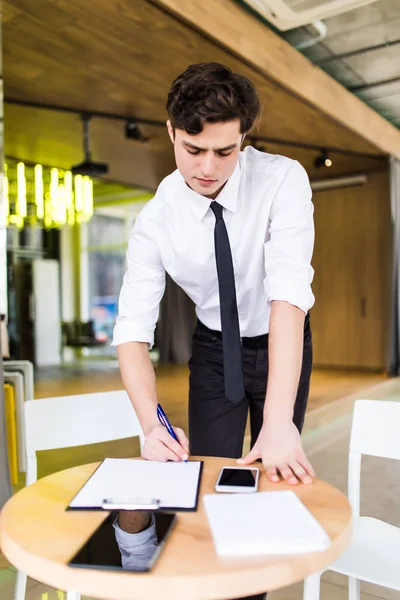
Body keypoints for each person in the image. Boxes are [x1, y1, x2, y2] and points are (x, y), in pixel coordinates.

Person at [113, 60, 315, 600]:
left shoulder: (283, 180)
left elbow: (288, 299)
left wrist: (277, 421)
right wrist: (152, 423)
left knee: (271, 470)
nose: (207, 167)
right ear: (171, 131)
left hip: (280, 337)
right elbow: (132, 332)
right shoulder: (156, 219)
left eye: (225, 152)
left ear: (243, 137)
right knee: (209, 482)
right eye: (193, 149)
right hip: (212, 350)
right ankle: (209, 587)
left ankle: (251, 591)